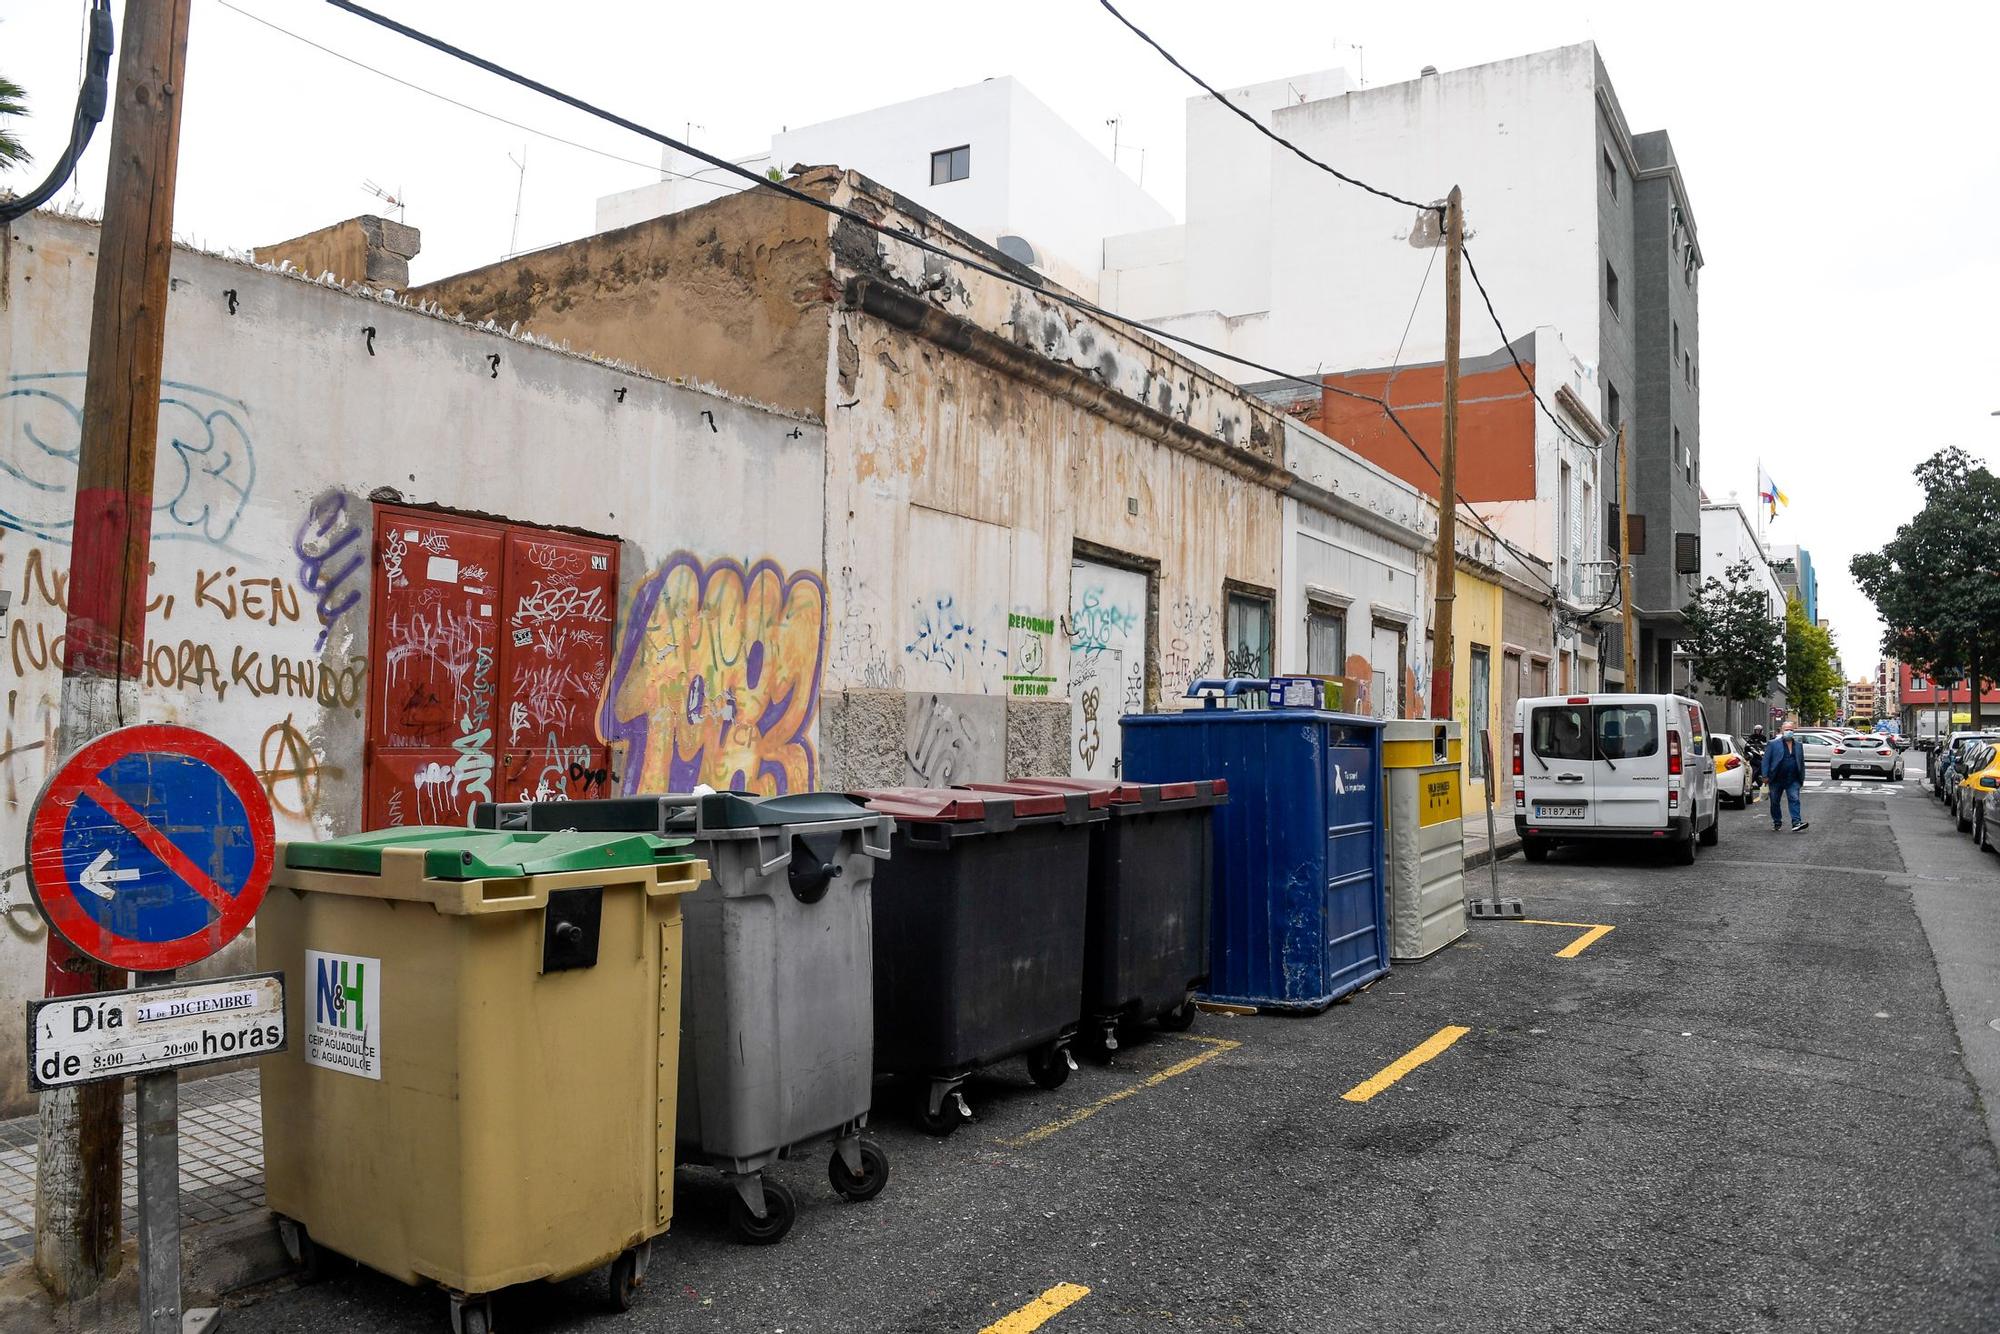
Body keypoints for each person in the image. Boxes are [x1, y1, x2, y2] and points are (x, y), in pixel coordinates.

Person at [1762, 716, 1809, 832]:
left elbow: (1801, 762)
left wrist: (1801, 778)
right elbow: (1766, 760)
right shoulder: (1773, 744)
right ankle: (1777, 821)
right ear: (1782, 731)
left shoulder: (1798, 745)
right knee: (1775, 801)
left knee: (1794, 799)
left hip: (1793, 779)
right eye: (1787, 729)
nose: (1789, 731)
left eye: (1791, 730)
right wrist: (1765, 775)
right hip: (1776, 778)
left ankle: (1796, 822)